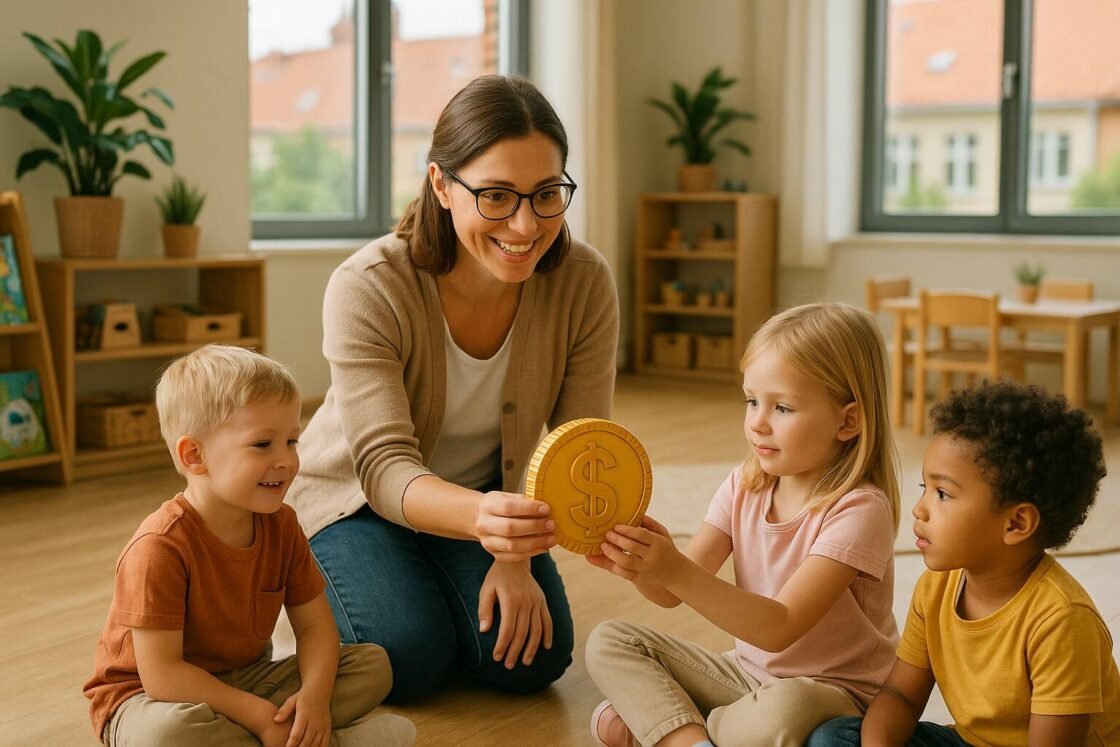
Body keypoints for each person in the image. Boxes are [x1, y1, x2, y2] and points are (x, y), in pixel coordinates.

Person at [285, 75, 619, 702]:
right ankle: (324, 589)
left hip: (487, 505)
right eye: (495, 196)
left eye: (547, 194)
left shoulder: (584, 283)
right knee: (409, 657)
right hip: (355, 504)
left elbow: (580, 447)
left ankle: (432, 589)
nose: (525, 225)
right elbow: (383, 468)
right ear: (441, 184)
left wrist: (515, 555)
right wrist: (491, 525)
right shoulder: (370, 286)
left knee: (532, 661)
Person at [584, 302, 902, 747]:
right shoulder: (744, 484)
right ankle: (693, 738)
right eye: (752, 401)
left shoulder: (859, 508)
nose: (758, 423)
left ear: (847, 421)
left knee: (786, 710)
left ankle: (665, 727)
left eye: (783, 408)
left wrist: (674, 569)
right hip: (747, 675)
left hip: (832, 695)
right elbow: (669, 594)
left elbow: (779, 627)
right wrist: (640, 566)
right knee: (609, 641)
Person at [83, 345, 414, 746]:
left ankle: (287, 733)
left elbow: (315, 629)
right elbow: (163, 675)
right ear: (195, 455)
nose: (286, 461)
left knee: (373, 665)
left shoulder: (283, 524)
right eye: (262, 445)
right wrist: (257, 715)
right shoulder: (159, 548)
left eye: (291, 441)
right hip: (151, 700)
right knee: (167, 735)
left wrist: (313, 698)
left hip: (246, 679)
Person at [808, 381, 1120, 747]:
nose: (919, 509)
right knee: (834, 737)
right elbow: (901, 697)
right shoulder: (936, 586)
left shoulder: (1062, 621)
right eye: (923, 488)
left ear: (1016, 523)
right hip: (970, 742)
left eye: (942, 494)